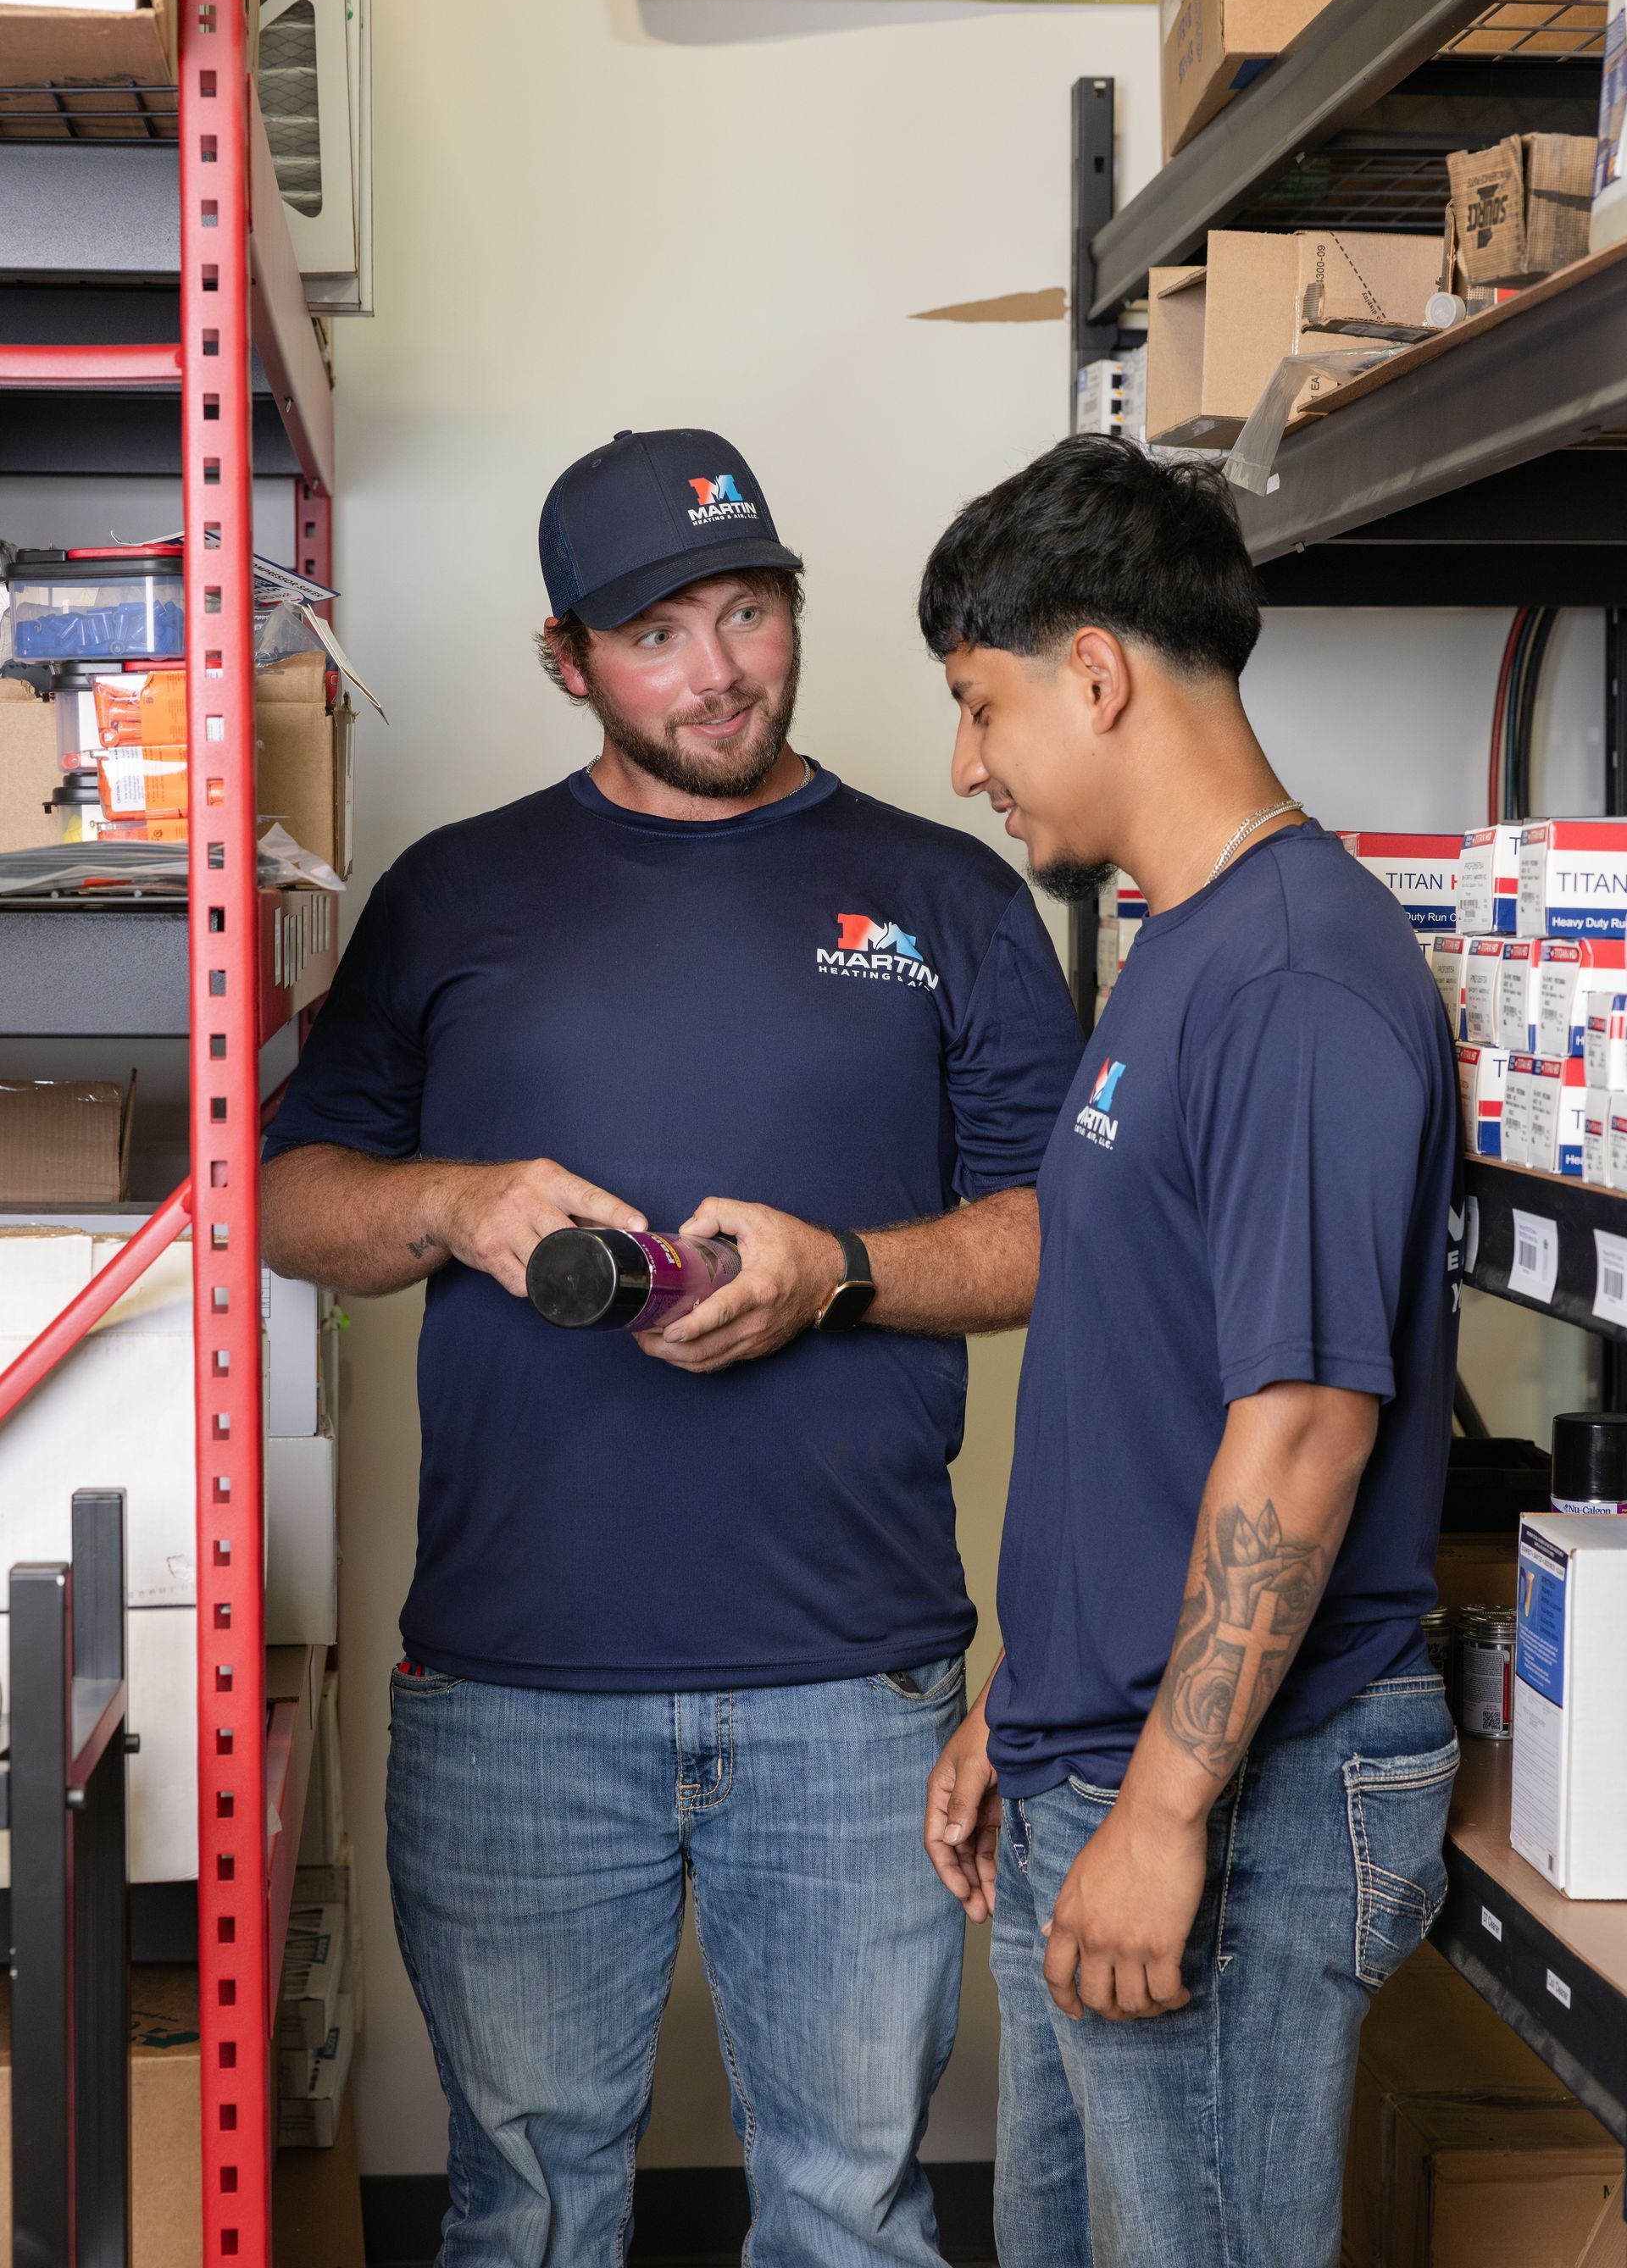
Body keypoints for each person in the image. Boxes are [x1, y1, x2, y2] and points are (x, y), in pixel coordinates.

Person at [260, 426, 1083, 2268]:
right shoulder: (456, 897)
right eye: (656, 634)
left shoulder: (944, 895)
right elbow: (281, 1198)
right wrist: (455, 1207)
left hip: (855, 1690)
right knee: (529, 2213)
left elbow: (1068, 1232)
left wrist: (842, 1272)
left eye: (750, 611)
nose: (719, 671)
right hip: (517, 1691)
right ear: (569, 662)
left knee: (851, 2212)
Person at [915, 435, 1463, 2268]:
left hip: (1241, 1795)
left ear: (1095, 673)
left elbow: (1304, 1422)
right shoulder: (1177, 949)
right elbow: (1140, 1368)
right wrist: (1030, 1692)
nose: (967, 761)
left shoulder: (1297, 974)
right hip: (1112, 1751)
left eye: (980, 705)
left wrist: (1159, 1809)